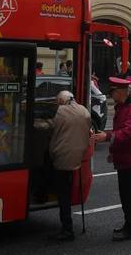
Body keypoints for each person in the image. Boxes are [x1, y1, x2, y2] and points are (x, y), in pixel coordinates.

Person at [92, 77, 131, 241]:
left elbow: (127, 133)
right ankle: (127, 224)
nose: (111, 95)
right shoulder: (122, 107)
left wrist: (106, 136)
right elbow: (121, 132)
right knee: (125, 195)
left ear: (121, 92)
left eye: (112, 92)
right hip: (125, 159)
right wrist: (113, 152)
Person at [39, 91, 92, 241]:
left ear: (62, 101)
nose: (57, 104)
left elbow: (49, 125)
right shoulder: (84, 110)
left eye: (57, 102)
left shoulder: (61, 111)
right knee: (65, 191)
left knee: (63, 194)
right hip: (77, 157)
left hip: (61, 158)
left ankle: (67, 229)